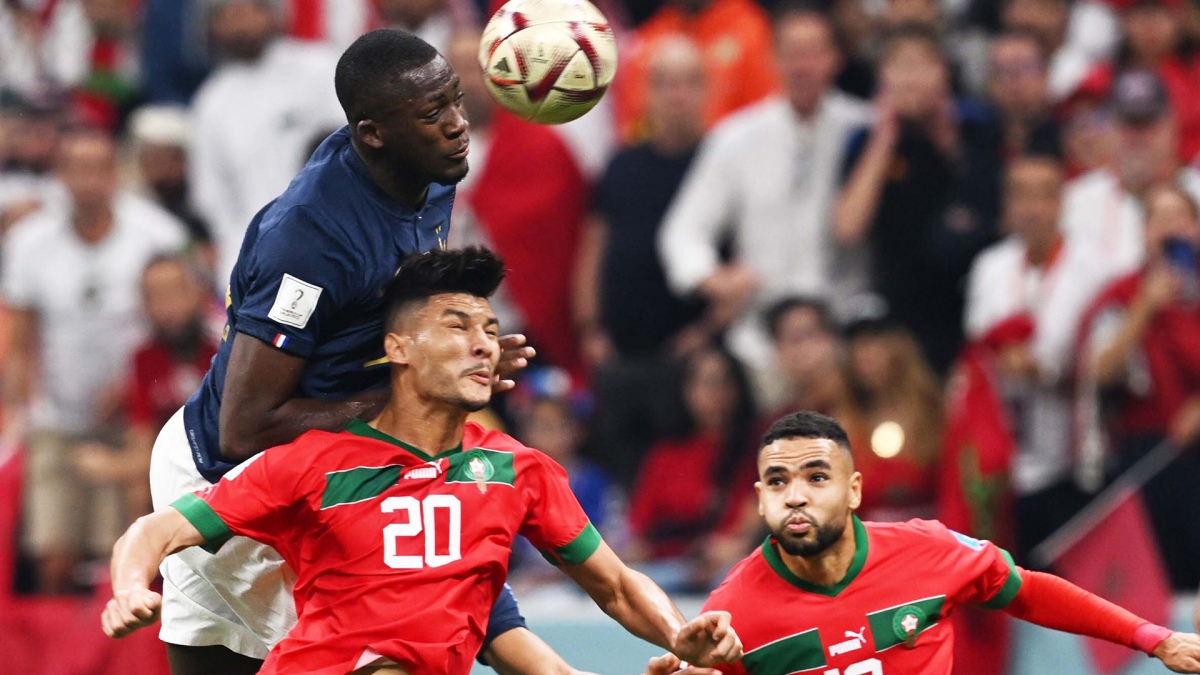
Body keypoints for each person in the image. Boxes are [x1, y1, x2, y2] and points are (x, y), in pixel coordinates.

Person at [146, 28, 587, 675]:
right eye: (433, 113)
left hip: (341, 466)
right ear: (373, 133)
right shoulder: (310, 240)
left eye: (456, 100)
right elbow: (245, 426)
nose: (458, 124)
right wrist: (406, 394)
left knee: (440, 624)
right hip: (229, 477)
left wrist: (455, 353)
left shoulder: (429, 172)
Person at [103, 246, 744, 675]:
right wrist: (131, 585)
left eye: (489, 330)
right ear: (399, 348)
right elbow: (158, 530)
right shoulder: (312, 463)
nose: (482, 345)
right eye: (458, 326)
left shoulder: (518, 472)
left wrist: (679, 635)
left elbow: (617, 585)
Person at [690, 410, 1200, 674]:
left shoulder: (926, 549)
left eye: (817, 477)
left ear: (854, 490)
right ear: (760, 500)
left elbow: (1027, 591)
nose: (795, 496)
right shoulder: (731, 613)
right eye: (777, 482)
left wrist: (1153, 638)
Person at [2, 126, 187, 594]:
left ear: (116, 172)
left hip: (133, 417)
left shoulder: (156, 234)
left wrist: (131, 387)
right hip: (55, 415)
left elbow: (177, 317)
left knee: (119, 551)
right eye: (78, 169)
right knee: (53, 555)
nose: (90, 181)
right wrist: (18, 408)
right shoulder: (29, 241)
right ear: (60, 175)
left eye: (100, 168)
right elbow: (17, 334)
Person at [658, 3, 872, 408]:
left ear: (835, 58)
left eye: (814, 53)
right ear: (773, 58)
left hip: (844, 336)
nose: (802, 66)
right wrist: (713, 279)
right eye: (792, 53)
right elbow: (683, 232)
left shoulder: (864, 129)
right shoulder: (737, 137)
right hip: (761, 345)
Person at [834, 25, 1003, 374]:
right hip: (899, 307)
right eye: (900, 65)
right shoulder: (864, 142)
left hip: (969, 301)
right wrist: (884, 138)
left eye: (924, 65)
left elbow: (994, 210)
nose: (912, 78)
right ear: (882, 77)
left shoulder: (979, 128)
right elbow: (848, 227)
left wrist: (950, 144)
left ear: (945, 73)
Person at [1079, 183, 1200, 589]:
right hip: (1148, 456)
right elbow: (1101, 371)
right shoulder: (1121, 294)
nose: (1171, 228)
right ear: (1144, 232)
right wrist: (1144, 308)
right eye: (1159, 219)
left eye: (1180, 217)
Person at [188, 0, 346, 288]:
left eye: (246, 11)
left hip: (337, 233)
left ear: (271, 14)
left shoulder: (321, 67)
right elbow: (211, 197)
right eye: (226, 16)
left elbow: (354, 144)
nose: (239, 24)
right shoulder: (211, 101)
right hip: (258, 253)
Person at [71, 254, 219, 528]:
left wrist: (113, 466)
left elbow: (228, 446)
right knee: (138, 487)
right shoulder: (144, 359)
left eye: (175, 292)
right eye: (154, 297)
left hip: (222, 472)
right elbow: (141, 440)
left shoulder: (225, 349)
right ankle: (136, 553)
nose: (167, 308)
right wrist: (129, 466)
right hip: (173, 475)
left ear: (198, 293)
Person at [1061, 69, 1200, 277]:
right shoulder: (1075, 201)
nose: (1138, 137)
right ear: (1111, 129)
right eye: (1129, 124)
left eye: (1148, 123)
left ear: (1172, 125)